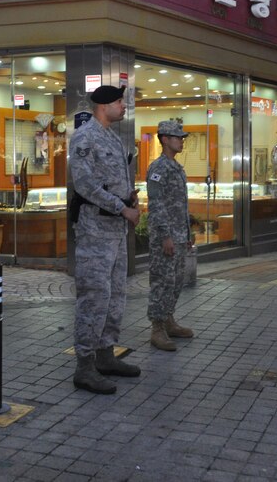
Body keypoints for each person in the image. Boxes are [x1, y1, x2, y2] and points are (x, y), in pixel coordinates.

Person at [69, 84, 141, 394]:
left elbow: (113, 180)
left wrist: (129, 198)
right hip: (96, 231)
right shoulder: (85, 137)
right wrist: (122, 208)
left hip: (115, 231)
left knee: (115, 296)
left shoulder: (112, 136)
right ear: (102, 105)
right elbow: (85, 185)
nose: (124, 105)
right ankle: (84, 366)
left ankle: (105, 355)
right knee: (94, 297)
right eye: (119, 101)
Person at [146, 120, 195, 352]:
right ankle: (157, 329)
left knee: (176, 281)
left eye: (181, 137)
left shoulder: (176, 168)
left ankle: (169, 320)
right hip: (164, 237)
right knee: (162, 282)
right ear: (164, 139)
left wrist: (187, 232)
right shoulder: (158, 168)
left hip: (178, 235)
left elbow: (180, 205)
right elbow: (156, 206)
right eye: (177, 137)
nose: (181, 140)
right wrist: (165, 235)